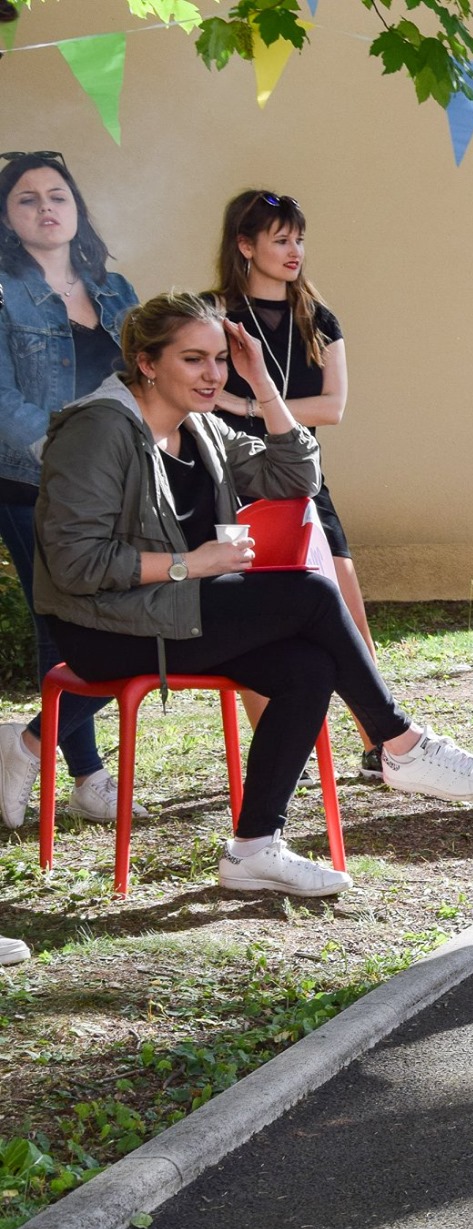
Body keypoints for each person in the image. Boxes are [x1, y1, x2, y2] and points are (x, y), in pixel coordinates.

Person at [33, 292, 473, 898]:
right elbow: (76, 562)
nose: (213, 374)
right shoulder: (98, 430)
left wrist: (261, 382)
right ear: (147, 363)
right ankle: (399, 742)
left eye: (219, 359)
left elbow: (298, 476)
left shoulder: (201, 428)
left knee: (306, 668)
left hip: (180, 612)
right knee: (311, 593)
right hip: (106, 628)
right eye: (193, 360)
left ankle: (254, 849)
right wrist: (190, 563)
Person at [208, 189, 383, 776]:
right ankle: (283, 756)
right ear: (245, 244)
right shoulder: (214, 315)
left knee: (347, 603)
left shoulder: (319, 317)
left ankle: (379, 743)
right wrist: (240, 405)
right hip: (233, 479)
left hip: (303, 476)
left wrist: (249, 401)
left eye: (299, 239)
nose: (294, 251)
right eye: (280, 239)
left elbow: (333, 408)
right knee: (258, 629)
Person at [0, 151, 140, 838]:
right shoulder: (1, 292)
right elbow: (1, 399)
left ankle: (30, 746)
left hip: (120, 482)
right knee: (63, 626)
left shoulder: (115, 292)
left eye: (57, 195)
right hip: (33, 484)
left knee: (125, 621)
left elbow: (152, 375)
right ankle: (85, 777)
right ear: (6, 217)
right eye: (26, 199)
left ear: (77, 208)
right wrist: (68, 450)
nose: (45, 207)